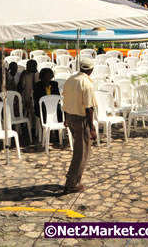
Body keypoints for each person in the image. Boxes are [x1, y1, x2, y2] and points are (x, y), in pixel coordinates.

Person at [61, 57, 98, 194]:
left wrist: (66, 118)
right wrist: (92, 128)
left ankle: (72, 178)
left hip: (70, 117)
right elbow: (89, 108)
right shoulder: (86, 84)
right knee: (81, 153)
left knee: (79, 150)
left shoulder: (71, 79)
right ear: (91, 70)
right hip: (81, 120)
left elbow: (65, 100)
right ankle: (72, 183)